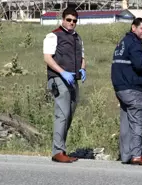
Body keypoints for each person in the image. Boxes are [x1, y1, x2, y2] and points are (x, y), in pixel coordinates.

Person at [111, 17, 142, 165]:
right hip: (132, 88)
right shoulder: (135, 43)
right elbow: (139, 65)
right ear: (133, 28)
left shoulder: (122, 43)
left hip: (120, 88)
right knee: (137, 121)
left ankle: (126, 156)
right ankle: (137, 155)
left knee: (125, 123)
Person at [43, 7, 86, 163]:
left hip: (73, 80)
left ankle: (61, 148)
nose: (71, 23)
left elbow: (82, 57)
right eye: (69, 19)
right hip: (59, 78)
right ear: (63, 19)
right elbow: (47, 58)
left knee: (69, 115)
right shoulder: (53, 36)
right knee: (62, 114)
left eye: (74, 20)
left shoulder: (78, 38)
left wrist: (83, 69)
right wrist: (62, 72)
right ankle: (58, 152)